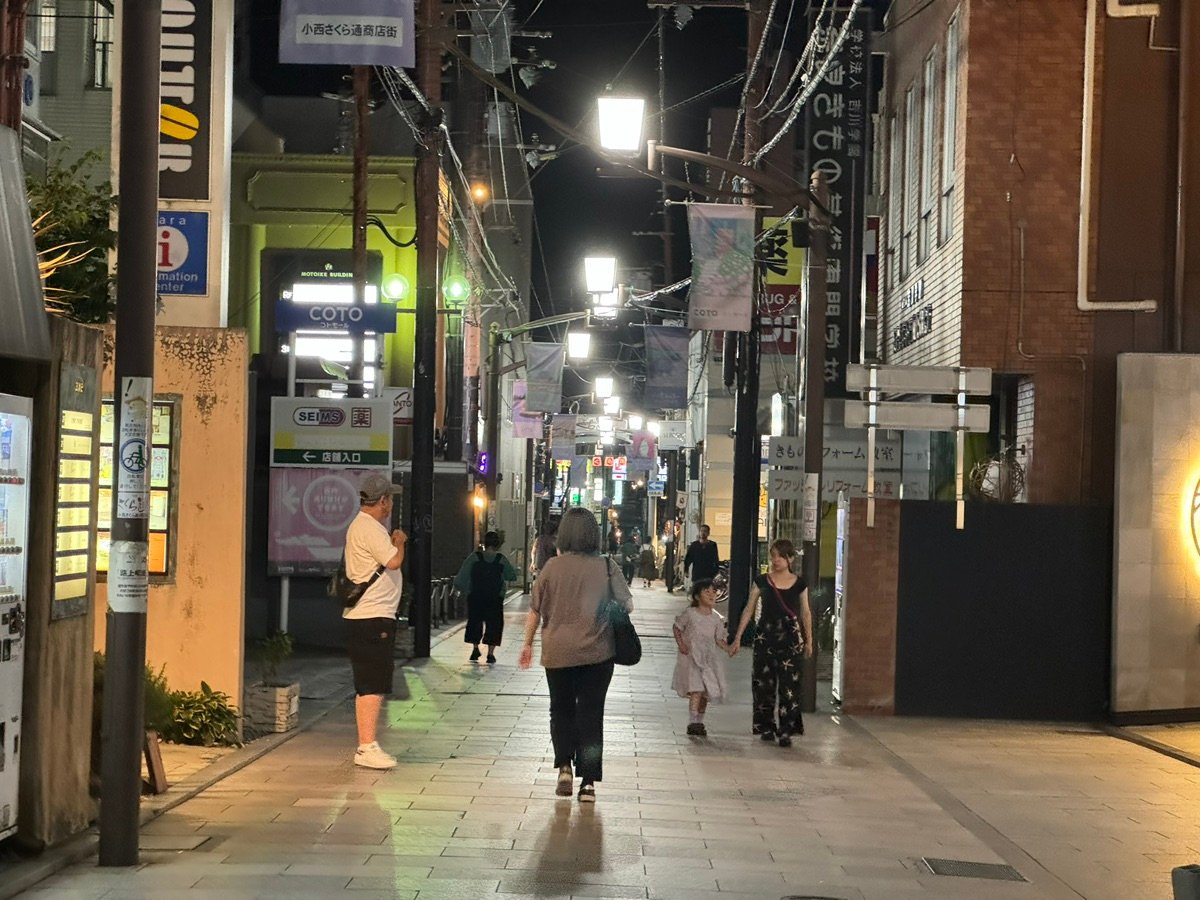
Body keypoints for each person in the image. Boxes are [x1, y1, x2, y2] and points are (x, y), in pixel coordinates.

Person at [518, 507, 633, 803]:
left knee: (561, 710)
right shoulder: (606, 566)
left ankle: (564, 769)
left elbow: (534, 610)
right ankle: (589, 783)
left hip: (557, 652)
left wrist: (527, 644)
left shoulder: (551, 568)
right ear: (594, 534)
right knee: (591, 714)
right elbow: (627, 605)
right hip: (598, 653)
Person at [343, 472, 407, 769]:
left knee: (371, 681)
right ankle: (366, 746)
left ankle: (367, 745)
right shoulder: (369, 528)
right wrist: (399, 542)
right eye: (389, 499)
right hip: (372, 616)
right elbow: (393, 561)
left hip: (369, 616)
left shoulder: (362, 526)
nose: (391, 504)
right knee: (372, 683)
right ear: (382, 501)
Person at [729, 539, 813, 747]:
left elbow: (806, 612)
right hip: (765, 637)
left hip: (790, 639)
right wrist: (738, 637)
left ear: (790, 559)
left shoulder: (800, 584)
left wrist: (809, 640)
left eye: (781, 556)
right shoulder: (762, 581)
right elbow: (749, 609)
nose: (776, 560)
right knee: (763, 684)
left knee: (790, 685)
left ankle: (786, 729)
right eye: (773, 555)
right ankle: (766, 726)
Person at [671, 578, 730, 736]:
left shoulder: (717, 618)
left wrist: (729, 649)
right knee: (696, 689)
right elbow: (677, 628)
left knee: (704, 692)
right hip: (692, 658)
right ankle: (693, 722)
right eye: (707, 592)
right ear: (697, 597)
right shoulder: (690, 614)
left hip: (708, 661)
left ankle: (699, 721)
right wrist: (681, 644)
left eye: (714, 592)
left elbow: (719, 639)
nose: (711, 595)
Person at [455, 531, 517, 664]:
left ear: (484, 543)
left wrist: (462, 589)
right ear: (498, 544)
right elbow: (511, 575)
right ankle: (490, 653)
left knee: (475, 622)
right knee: (494, 624)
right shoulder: (501, 559)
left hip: (476, 596)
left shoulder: (474, 557)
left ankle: (475, 648)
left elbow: (462, 576)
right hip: (495, 598)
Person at [663, 519, 678, 593]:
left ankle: (669, 583)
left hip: (670, 556)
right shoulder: (668, 537)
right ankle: (669, 583)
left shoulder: (671, 537)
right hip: (669, 556)